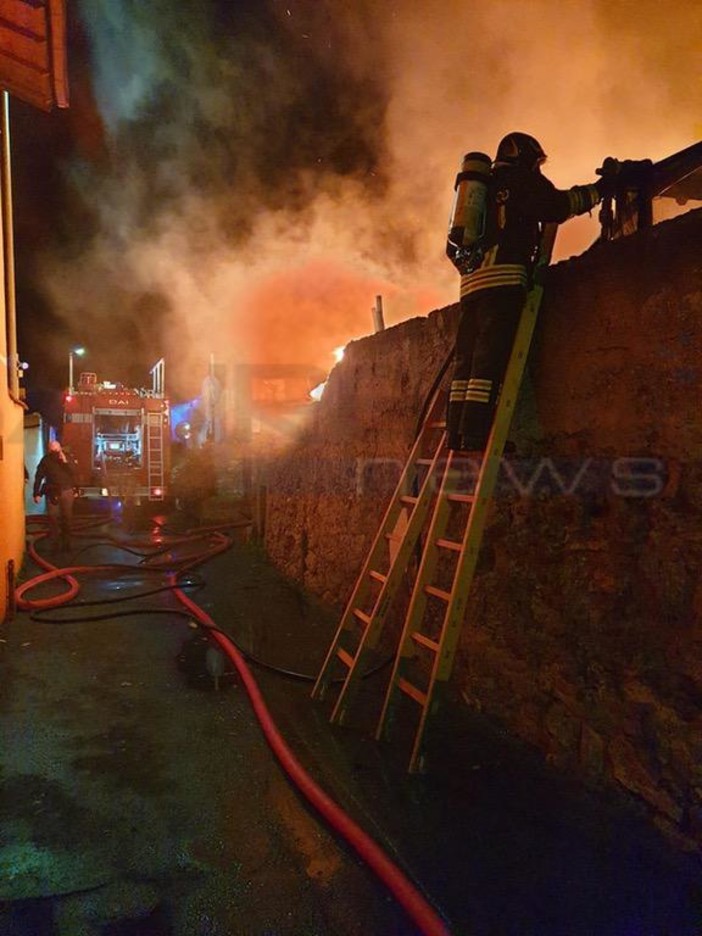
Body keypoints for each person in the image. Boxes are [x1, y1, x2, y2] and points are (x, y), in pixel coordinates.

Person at [446, 132, 610, 453]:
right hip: (504, 281)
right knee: (491, 361)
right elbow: (558, 206)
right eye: (536, 162)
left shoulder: (477, 191)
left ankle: (456, 434)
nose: (537, 168)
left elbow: (454, 246)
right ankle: (479, 437)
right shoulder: (520, 180)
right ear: (525, 158)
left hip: (470, 287)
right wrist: (600, 190)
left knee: (465, 363)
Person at [33, 440, 78, 551]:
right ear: (49, 449)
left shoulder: (67, 458)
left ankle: (67, 544)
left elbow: (74, 472)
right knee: (53, 519)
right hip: (53, 492)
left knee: (67, 518)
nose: (55, 451)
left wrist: (65, 461)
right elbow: (39, 476)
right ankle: (55, 545)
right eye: (53, 449)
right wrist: (36, 493)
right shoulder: (46, 460)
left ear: (60, 448)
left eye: (57, 449)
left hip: (67, 491)